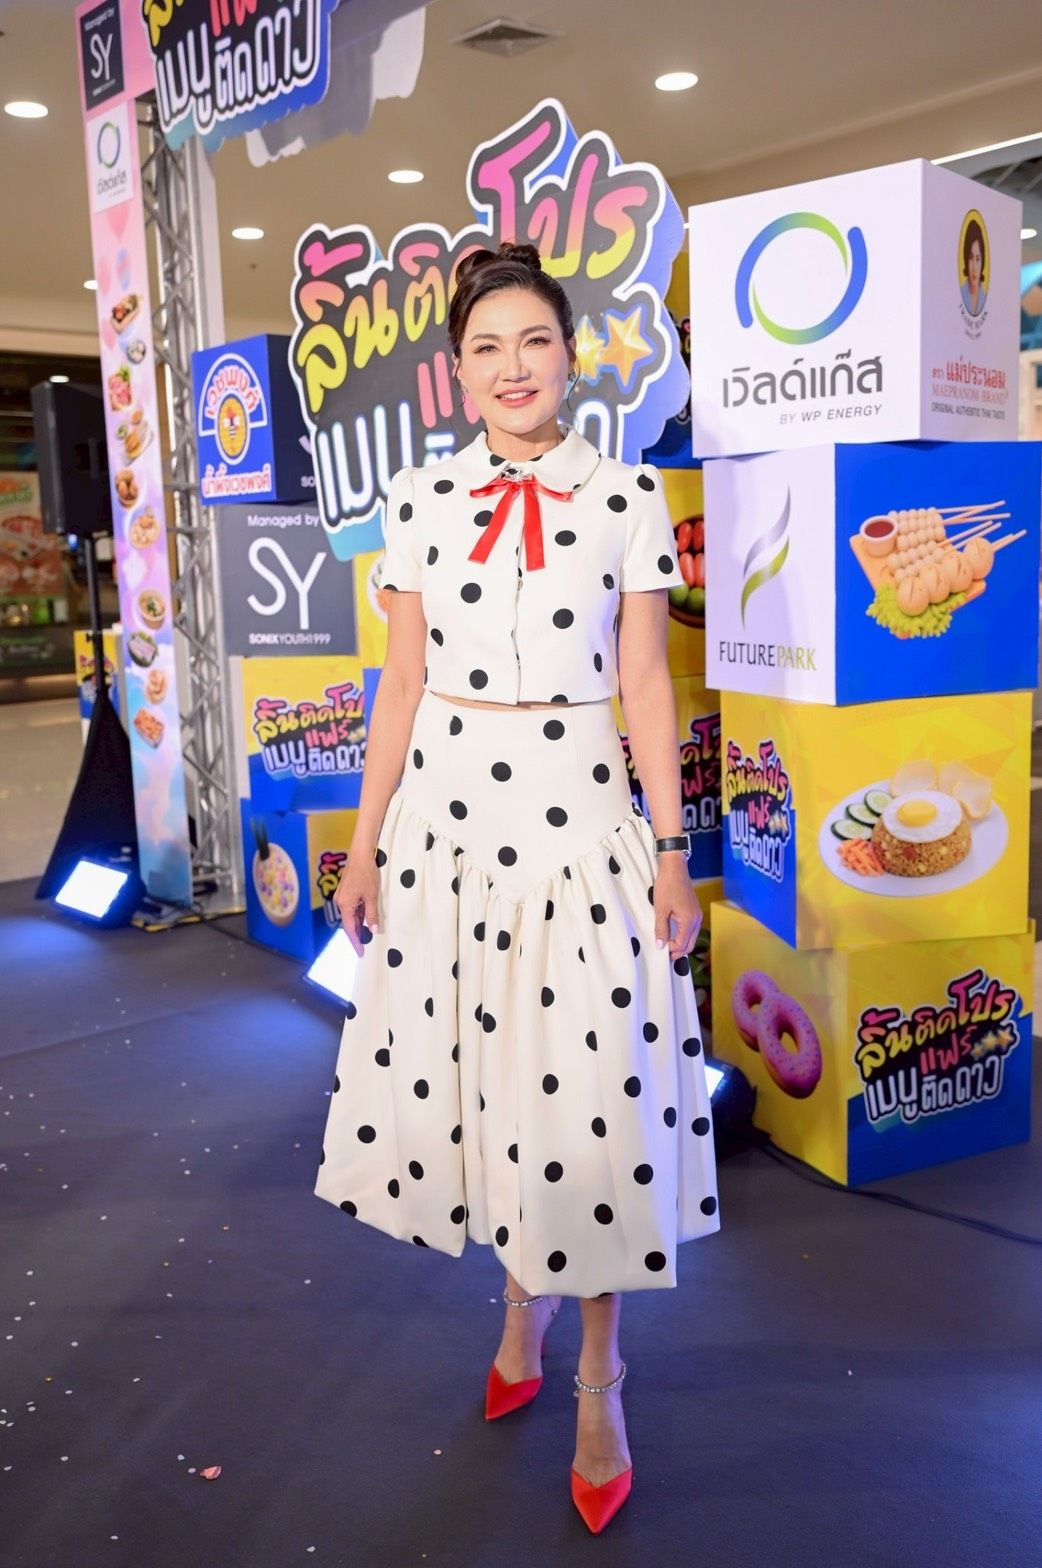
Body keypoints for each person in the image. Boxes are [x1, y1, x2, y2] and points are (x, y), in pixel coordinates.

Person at [317, 242, 720, 1534]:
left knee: (588, 1102)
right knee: (481, 1086)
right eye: (485, 346)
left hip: (579, 825)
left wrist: (671, 846)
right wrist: (365, 842)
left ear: (569, 356)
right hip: (443, 827)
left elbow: (646, 682)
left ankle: (599, 1377)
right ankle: (514, 1304)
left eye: (533, 340)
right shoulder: (419, 496)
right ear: (456, 370)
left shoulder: (627, 493)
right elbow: (399, 681)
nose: (511, 366)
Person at [961, 219, 987, 318]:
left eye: (978, 258)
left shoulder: (985, 297)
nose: (974, 267)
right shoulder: (960, 294)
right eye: (971, 258)